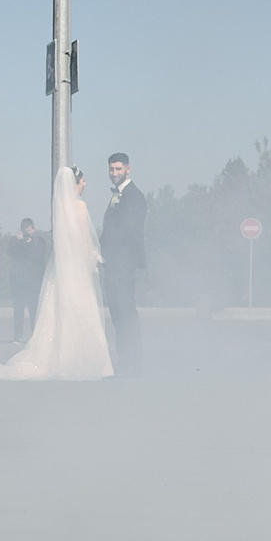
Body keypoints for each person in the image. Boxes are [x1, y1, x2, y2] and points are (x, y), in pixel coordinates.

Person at [0, 168, 111, 380]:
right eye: (83, 181)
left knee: (59, 310)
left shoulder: (59, 208)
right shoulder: (80, 206)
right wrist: (90, 259)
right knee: (82, 308)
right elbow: (85, 239)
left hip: (60, 268)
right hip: (76, 267)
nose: (85, 185)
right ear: (75, 184)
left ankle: (60, 355)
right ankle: (83, 356)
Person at [101, 151, 146, 375]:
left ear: (128, 168)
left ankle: (133, 361)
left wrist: (107, 252)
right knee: (118, 313)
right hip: (113, 265)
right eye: (111, 169)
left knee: (126, 312)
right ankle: (125, 360)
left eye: (118, 169)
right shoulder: (117, 195)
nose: (114, 173)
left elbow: (128, 231)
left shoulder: (134, 196)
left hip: (124, 265)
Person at [5, 218, 48, 342]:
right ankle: (17, 336)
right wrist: (19, 241)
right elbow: (10, 253)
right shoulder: (14, 240)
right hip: (18, 281)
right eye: (25, 231)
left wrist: (31, 241)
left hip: (34, 281)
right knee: (18, 309)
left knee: (34, 310)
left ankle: (35, 336)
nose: (27, 234)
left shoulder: (40, 241)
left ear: (33, 230)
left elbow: (40, 255)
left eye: (29, 231)